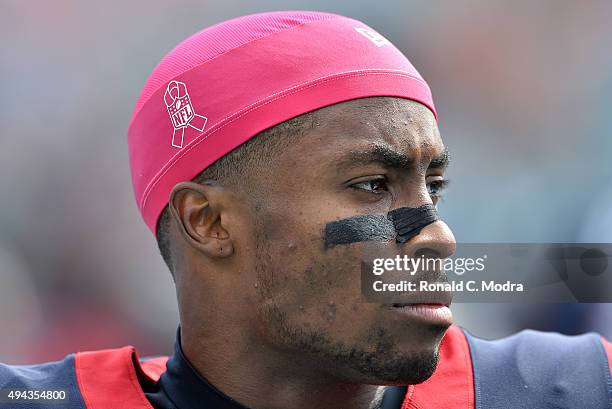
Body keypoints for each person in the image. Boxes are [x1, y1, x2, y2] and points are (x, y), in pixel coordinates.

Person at [1, 10, 611, 409]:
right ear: (208, 222)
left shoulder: (568, 390)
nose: (439, 236)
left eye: (434, 187)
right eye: (373, 184)